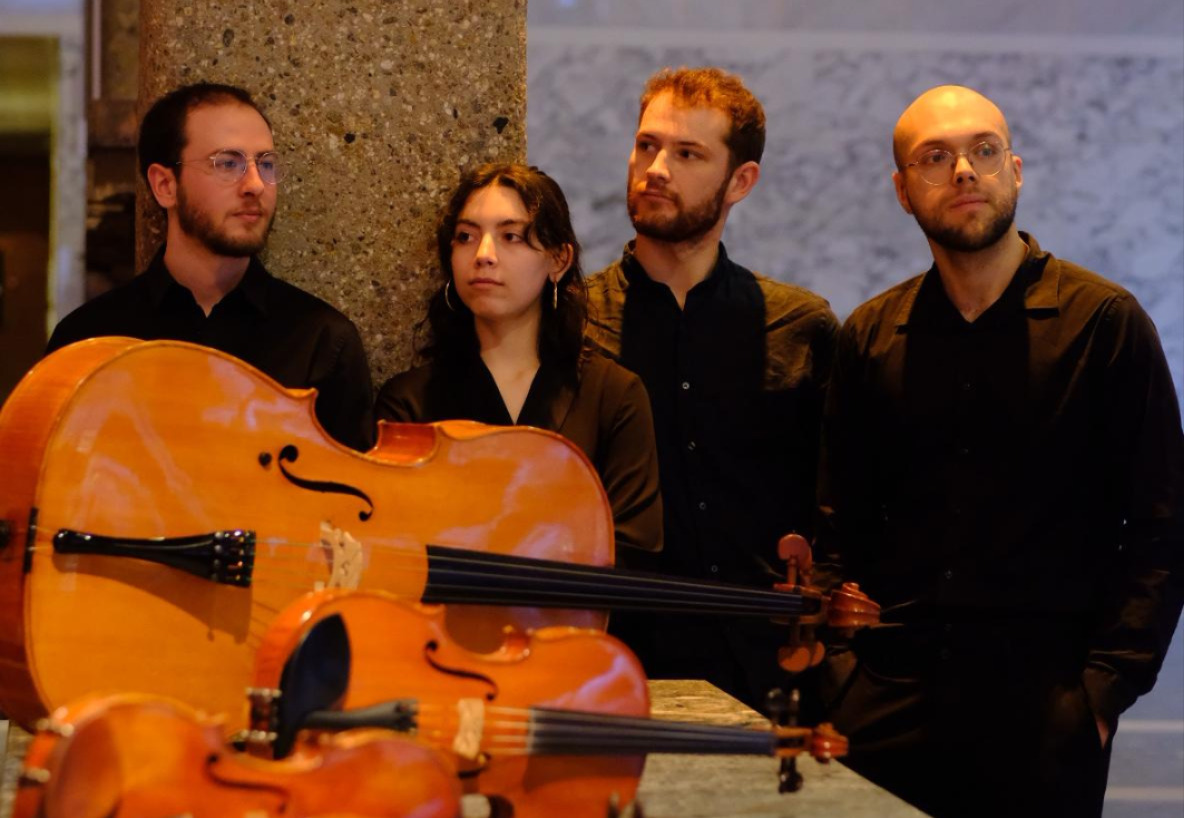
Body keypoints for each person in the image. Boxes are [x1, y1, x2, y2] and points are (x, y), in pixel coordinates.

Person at [817, 84, 1184, 817]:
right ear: (902, 190)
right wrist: (841, 678)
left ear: (1014, 170)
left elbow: (1161, 527)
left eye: (984, 151)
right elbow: (837, 523)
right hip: (889, 698)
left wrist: (1103, 694)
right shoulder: (870, 335)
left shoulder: (1104, 324)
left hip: (1046, 705)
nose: (963, 170)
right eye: (935, 156)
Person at [585, 67, 839, 709]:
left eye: (688, 153)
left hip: (769, 669)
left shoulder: (801, 325)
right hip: (610, 663)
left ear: (741, 181)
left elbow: (845, 499)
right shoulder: (572, 321)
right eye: (647, 145)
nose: (656, 168)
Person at [47, 83, 374, 451]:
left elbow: (352, 498)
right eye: (228, 163)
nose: (255, 184)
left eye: (265, 163)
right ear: (165, 185)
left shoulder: (323, 342)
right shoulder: (88, 341)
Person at [375, 162, 662, 555]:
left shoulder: (613, 395)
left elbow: (633, 550)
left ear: (559, 260)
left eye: (511, 236)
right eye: (465, 237)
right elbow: (392, 548)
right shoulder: (408, 402)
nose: (484, 255)